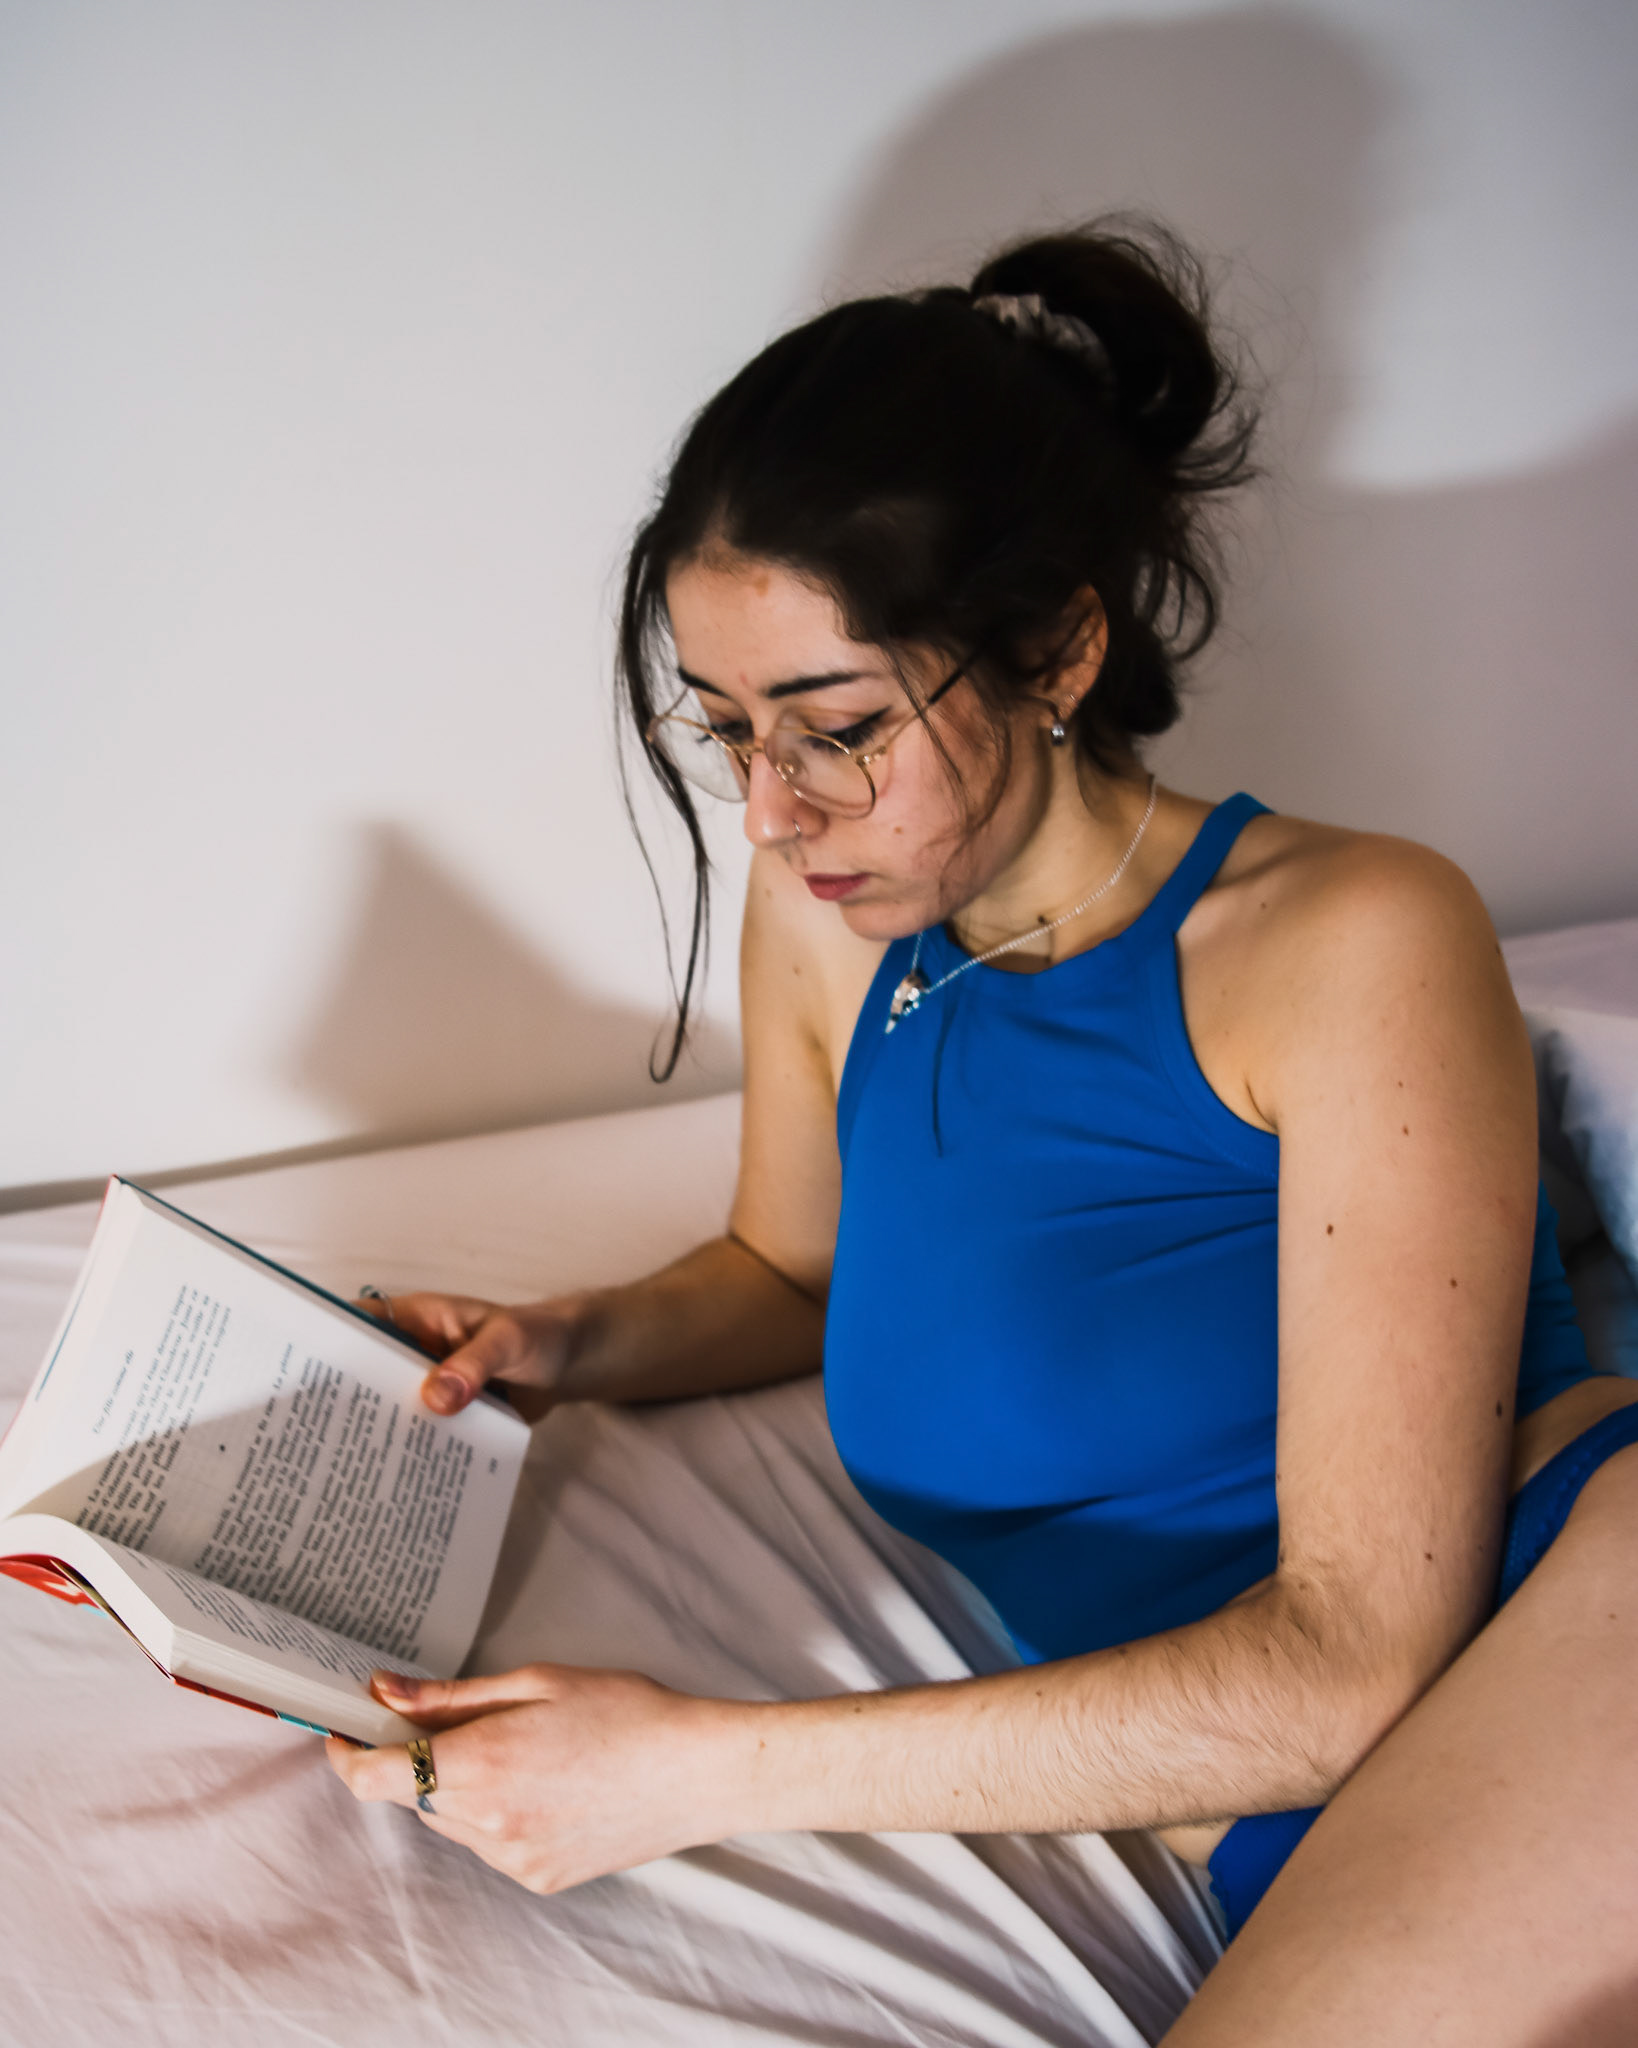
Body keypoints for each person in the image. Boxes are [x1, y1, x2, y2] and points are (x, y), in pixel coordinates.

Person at [329, 223, 1638, 2040]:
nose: (770, 811)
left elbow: (1347, 1660)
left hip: (1548, 1620)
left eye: (837, 726)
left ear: (1058, 651)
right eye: (724, 731)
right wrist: (553, 1347)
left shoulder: (1348, 941)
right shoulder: (829, 918)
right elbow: (794, 1266)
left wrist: (687, 1771)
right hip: (1271, 1806)